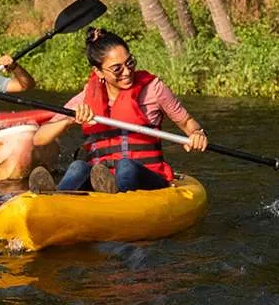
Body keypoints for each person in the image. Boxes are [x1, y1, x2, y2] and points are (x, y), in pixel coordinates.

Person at [27, 28, 208, 193]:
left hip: (148, 180)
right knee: (78, 167)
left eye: (130, 63)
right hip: (101, 178)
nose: (127, 72)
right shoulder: (86, 97)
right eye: (117, 69)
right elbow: (39, 138)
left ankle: (113, 193)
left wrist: (197, 133)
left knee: (126, 166)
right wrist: (70, 120)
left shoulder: (154, 89)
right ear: (98, 72)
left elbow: (187, 123)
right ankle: (54, 197)